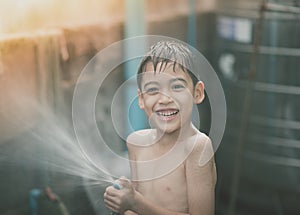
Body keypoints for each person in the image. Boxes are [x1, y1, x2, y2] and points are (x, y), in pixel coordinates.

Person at [104, 40, 217, 215]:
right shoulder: (136, 143)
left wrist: (134, 202)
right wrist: (123, 202)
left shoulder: (196, 147)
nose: (164, 99)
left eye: (177, 87)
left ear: (197, 93)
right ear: (141, 99)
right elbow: (136, 207)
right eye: (153, 89)